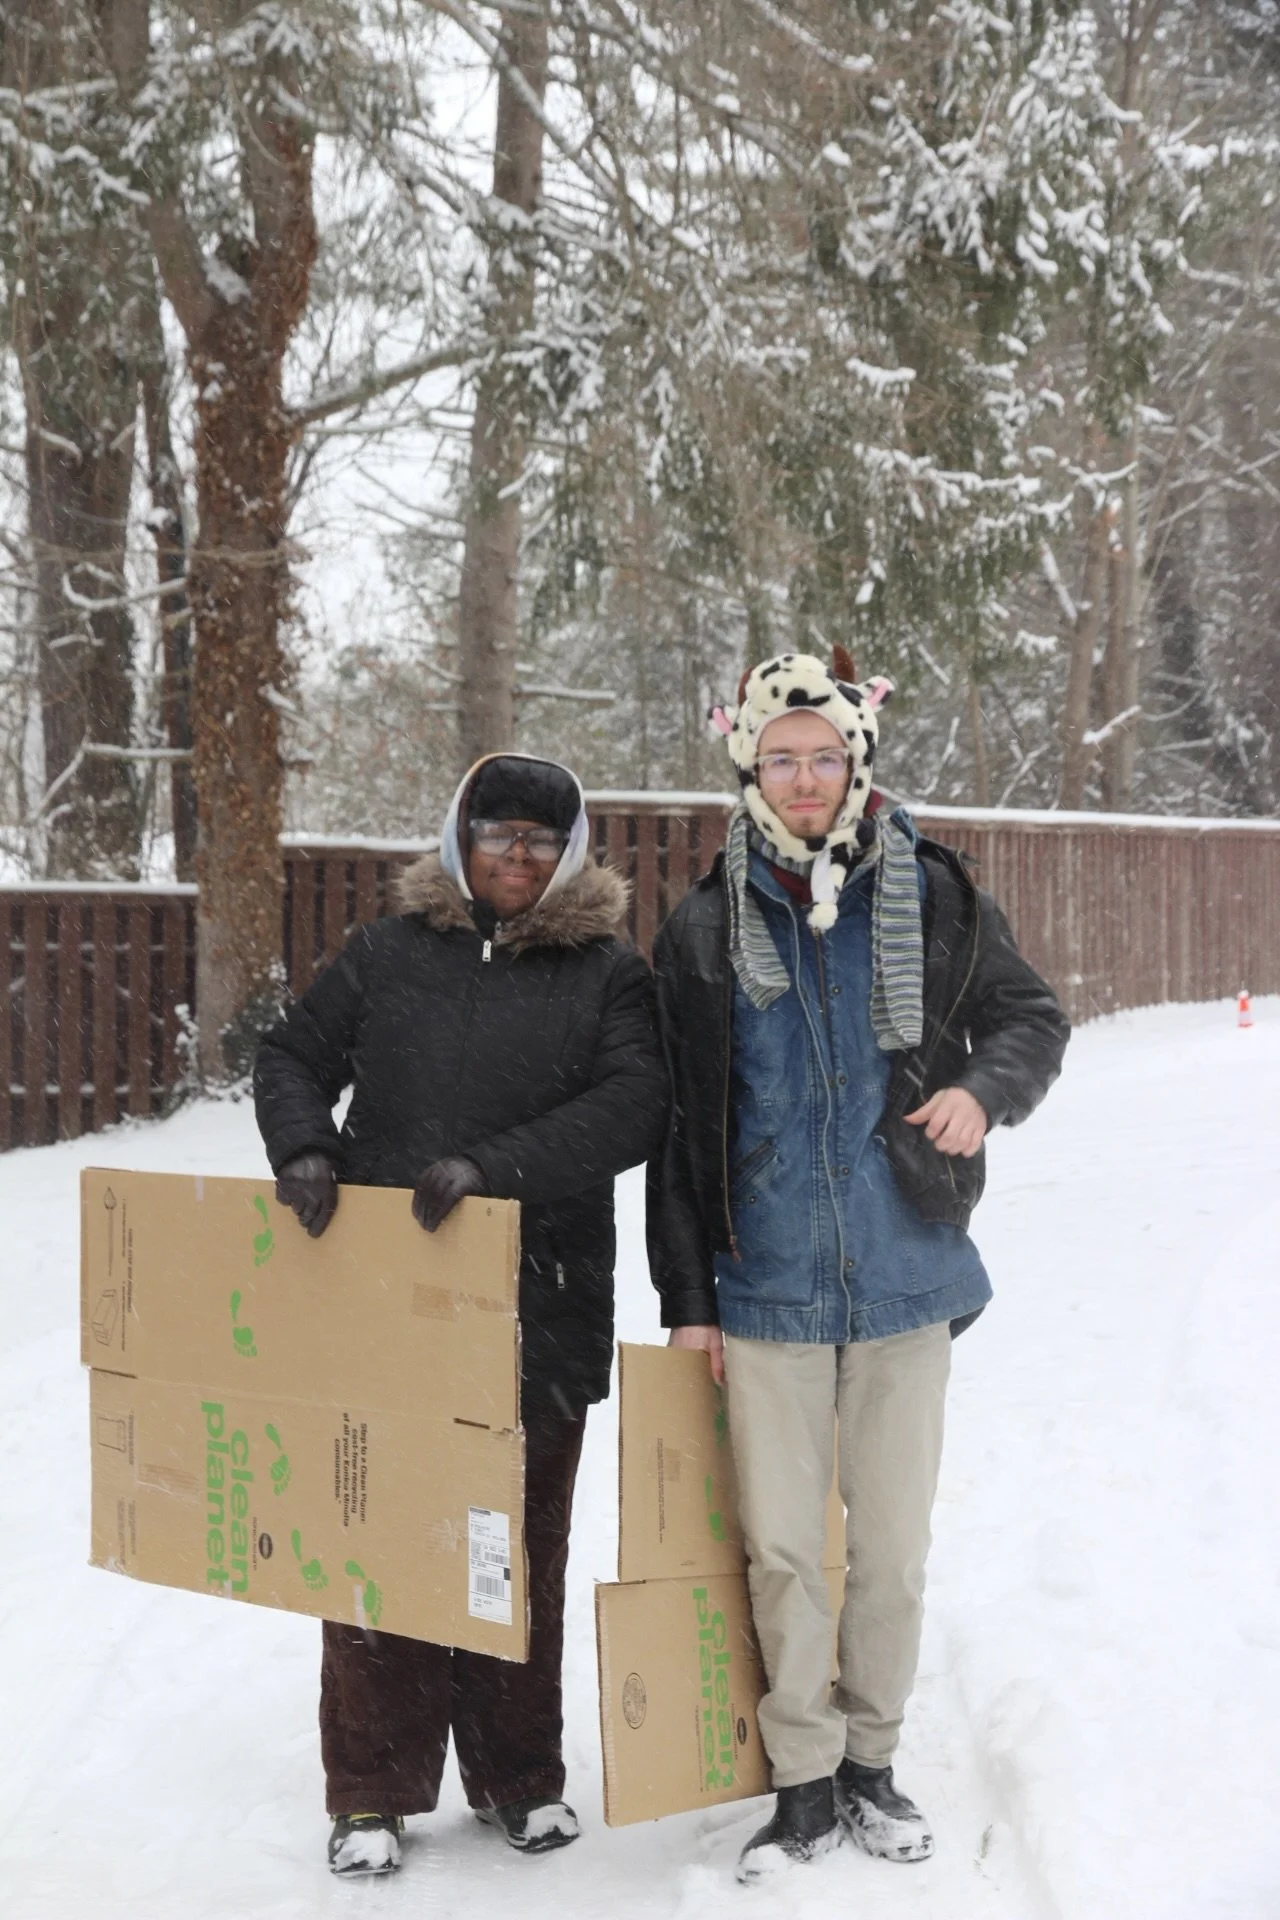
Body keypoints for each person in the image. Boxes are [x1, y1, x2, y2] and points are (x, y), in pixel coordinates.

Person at [645, 650, 1069, 1884]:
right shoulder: (701, 926)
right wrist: (688, 1301)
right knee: (782, 1551)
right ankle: (803, 1781)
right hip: (764, 1282)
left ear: (855, 761)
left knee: (886, 1546)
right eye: (780, 758)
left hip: (903, 1272)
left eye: (824, 756)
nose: (805, 778)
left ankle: (873, 1761)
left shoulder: (929, 890)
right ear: (749, 768)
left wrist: (982, 1096)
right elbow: (678, 1130)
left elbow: (1028, 1017)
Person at [253, 753, 667, 1876]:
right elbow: (292, 1052)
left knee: (513, 1549)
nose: (516, 856)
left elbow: (631, 1106)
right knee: (375, 1539)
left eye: (540, 839)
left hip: (544, 1300)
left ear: (570, 852)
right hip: (393, 1306)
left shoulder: (605, 972)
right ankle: (373, 1791)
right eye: (498, 834)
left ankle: (517, 1775)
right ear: (460, 839)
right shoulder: (389, 954)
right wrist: (305, 1148)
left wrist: (494, 1167)